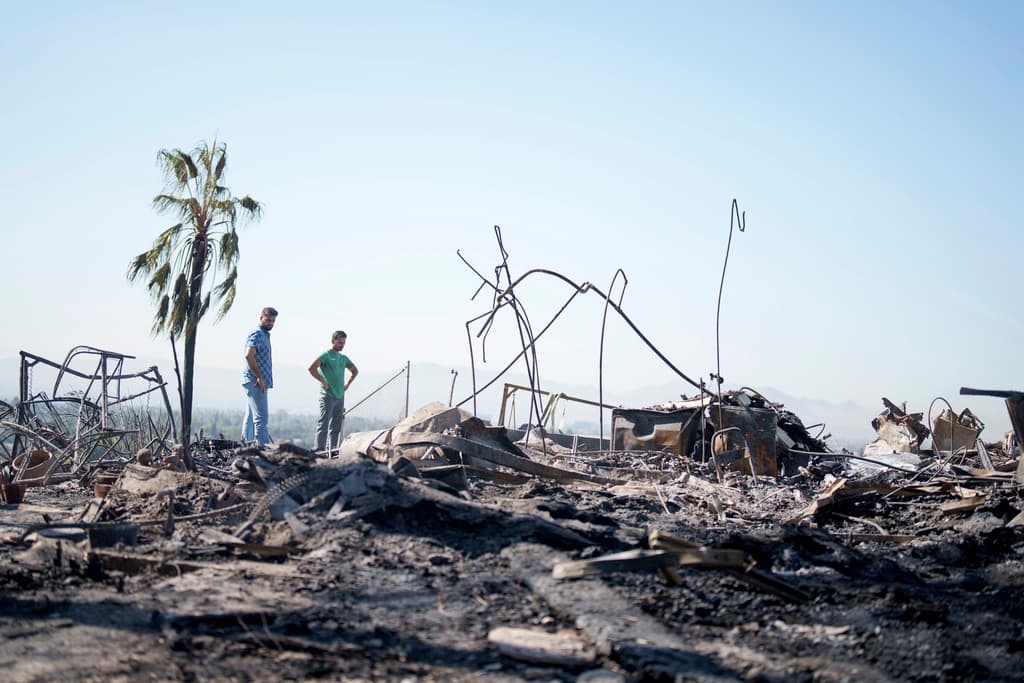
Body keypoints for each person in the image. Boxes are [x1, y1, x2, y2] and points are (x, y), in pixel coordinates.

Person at [308, 330, 358, 455]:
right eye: (339, 342)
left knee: (336, 426)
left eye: (343, 343)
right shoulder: (326, 355)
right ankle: (320, 449)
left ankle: (333, 450)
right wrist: (323, 382)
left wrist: (347, 385)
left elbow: (355, 371)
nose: (341, 345)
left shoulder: (343, 358)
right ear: (333, 341)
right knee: (323, 422)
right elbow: (311, 368)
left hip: (340, 395)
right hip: (327, 395)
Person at [242, 307, 278, 447]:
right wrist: (259, 377)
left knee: (251, 418)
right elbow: (248, 355)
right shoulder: (257, 334)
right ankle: (263, 449)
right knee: (261, 419)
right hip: (255, 381)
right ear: (261, 318)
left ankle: (246, 446)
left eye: (273, 321)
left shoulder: (264, 335)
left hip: (257, 381)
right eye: (268, 320)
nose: (271, 323)